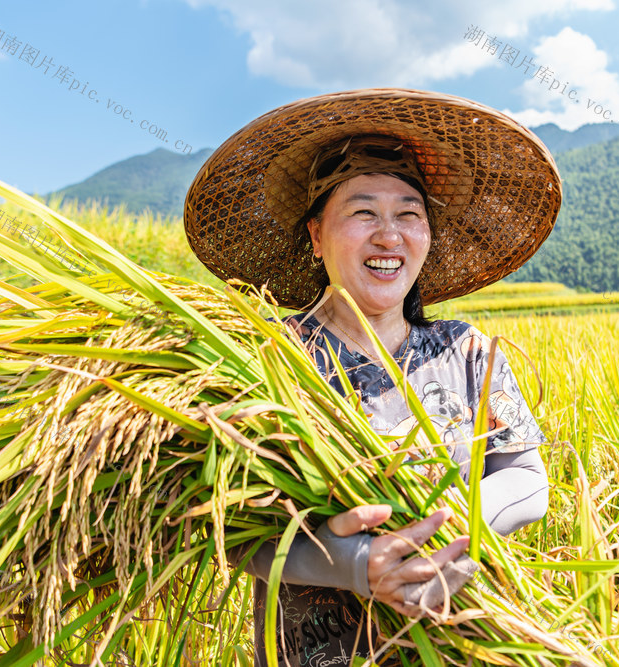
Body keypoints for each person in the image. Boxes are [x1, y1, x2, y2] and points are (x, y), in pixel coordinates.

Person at [184, 89, 563, 666]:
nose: (389, 235)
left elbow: (528, 478)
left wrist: (454, 522)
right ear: (316, 236)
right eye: (364, 213)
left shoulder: (467, 353)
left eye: (409, 214)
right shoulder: (270, 358)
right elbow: (233, 525)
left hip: (461, 642)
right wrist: (356, 564)